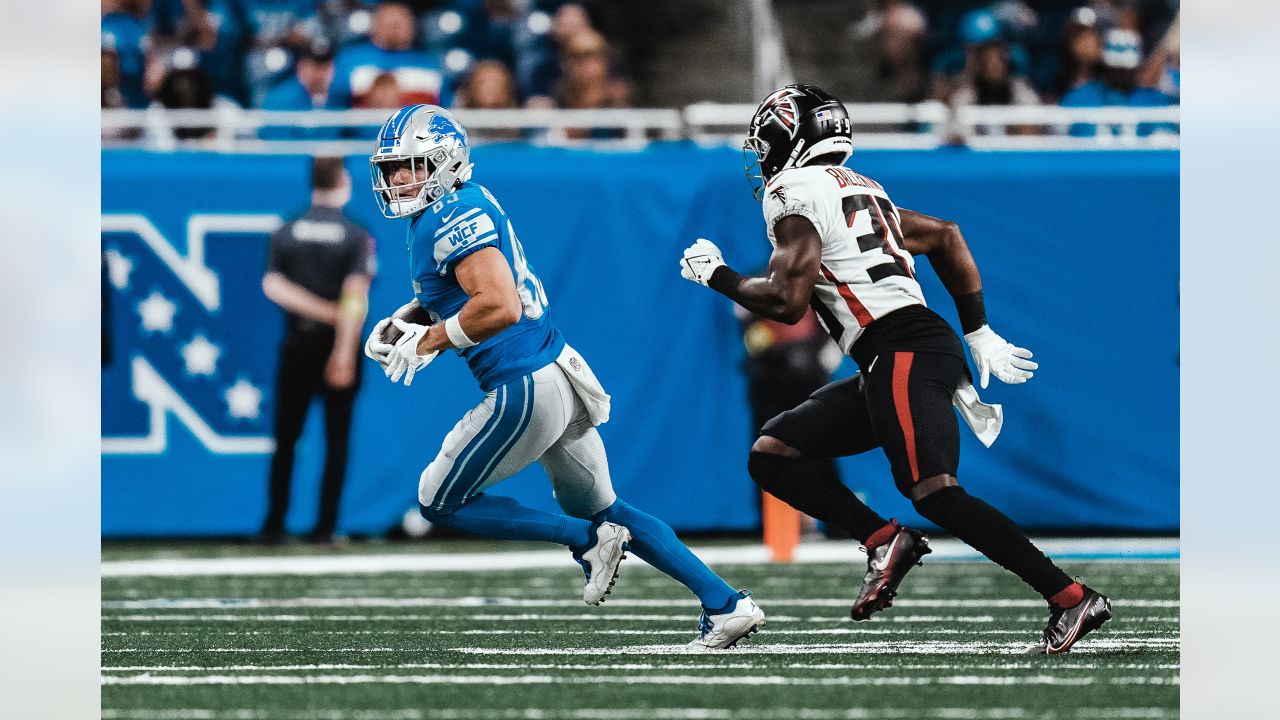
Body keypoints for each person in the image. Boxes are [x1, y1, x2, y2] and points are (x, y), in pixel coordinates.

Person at [678, 84, 1112, 655]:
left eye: (768, 142)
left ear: (790, 138)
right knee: (774, 454)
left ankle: (1069, 595)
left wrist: (717, 276)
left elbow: (786, 300)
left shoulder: (791, 191)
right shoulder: (860, 188)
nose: (761, 156)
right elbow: (945, 234)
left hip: (901, 348)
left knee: (933, 491)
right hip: (894, 353)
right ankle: (886, 540)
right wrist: (977, 328)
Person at [362, 104, 764, 649]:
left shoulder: (447, 216)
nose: (400, 180)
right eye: (392, 170)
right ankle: (725, 603)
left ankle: (585, 539)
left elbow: (498, 305)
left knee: (439, 500)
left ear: (446, 162)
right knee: (608, 506)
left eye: (412, 166)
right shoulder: (460, 205)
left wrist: (430, 340)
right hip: (556, 371)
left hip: (524, 383)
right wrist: (407, 320)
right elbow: (451, 288)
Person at [260, 157, 376, 545]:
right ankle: (326, 525)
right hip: (335, 345)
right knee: (336, 439)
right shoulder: (356, 234)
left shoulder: (287, 229)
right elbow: (355, 296)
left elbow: (275, 287)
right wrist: (342, 345)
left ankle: (275, 523)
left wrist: (321, 314)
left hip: (297, 343)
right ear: (342, 180)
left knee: (286, 437)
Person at [330, 1, 451, 108]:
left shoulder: (431, 65)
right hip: (363, 133)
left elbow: (446, 110)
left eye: (399, 24)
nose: (394, 29)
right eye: (389, 24)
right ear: (374, 25)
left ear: (412, 27)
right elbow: (335, 108)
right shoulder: (350, 60)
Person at [1059, 28, 1176, 137]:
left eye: (1127, 70)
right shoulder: (1078, 98)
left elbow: (1167, 141)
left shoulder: (1154, 101)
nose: (1121, 76)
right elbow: (1057, 141)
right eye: (1116, 70)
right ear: (1104, 66)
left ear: (1137, 68)